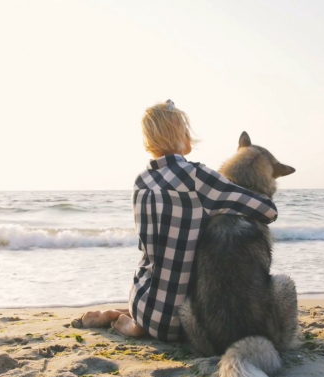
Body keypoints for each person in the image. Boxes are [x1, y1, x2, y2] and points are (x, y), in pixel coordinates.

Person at [75, 100, 278, 341]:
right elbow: (268, 210)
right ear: (182, 135)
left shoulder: (141, 182)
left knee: (156, 273)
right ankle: (137, 324)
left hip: (141, 299)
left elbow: (145, 247)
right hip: (185, 318)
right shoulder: (197, 176)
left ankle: (134, 321)